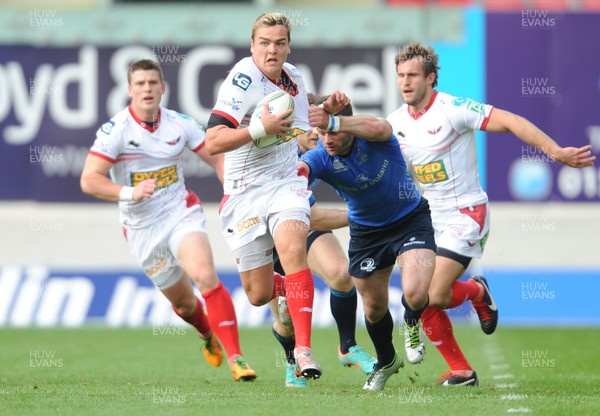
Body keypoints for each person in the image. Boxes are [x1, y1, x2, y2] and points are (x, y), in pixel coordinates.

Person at [386, 42, 596, 386]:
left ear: (431, 78)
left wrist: (555, 151)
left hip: (466, 213)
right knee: (417, 295)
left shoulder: (452, 109)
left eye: (412, 75)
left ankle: (477, 292)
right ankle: (462, 372)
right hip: (428, 218)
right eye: (400, 76)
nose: (405, 82)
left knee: (435, 295)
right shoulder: (394, 124)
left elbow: (511, 121)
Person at [80, 59, 257, 382]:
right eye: (140, 83)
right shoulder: (116, 130)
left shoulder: (180, 124)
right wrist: (129, 193)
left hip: (180, 214)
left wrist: (231, 191)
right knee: (187, 305)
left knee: (205, 277)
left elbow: (217, 158)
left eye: (152, 82)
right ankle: (206, 334)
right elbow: (90, 180)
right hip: (142, 229)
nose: (147, 88)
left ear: (163, 87)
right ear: (130, 89)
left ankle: (237, 357)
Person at [204, 12, 348, 380]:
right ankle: (291, 292)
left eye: (279, 43)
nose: (272, 50)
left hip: (285, 181)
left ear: (288, 46)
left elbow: (300, 131)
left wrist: (325, 114)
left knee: (293, 247)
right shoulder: (241, 81)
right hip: (244, 192)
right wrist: (258, 127)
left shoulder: (295, 78)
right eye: (264, 43)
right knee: (257, 294)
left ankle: (303, 351)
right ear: (252, 45)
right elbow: (214, 141)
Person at [299, 100, 437, 391]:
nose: (327, 140)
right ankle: (387, 361)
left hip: (409, 219)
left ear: (346, 126)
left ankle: (412, 320)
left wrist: (335, 121)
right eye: (322, 133)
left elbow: (381, 126)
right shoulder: (321, 157)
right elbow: (303, 168)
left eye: (332, 132)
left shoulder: (373, 137)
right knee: (374, 308)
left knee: (414, 292)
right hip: (366, 234)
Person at [270, 94, 377, 388]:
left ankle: (347, 346)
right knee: (286, 316)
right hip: (267, 238)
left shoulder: (323, 151)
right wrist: (360, 215)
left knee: (342, 274)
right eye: (314, 129)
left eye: (325, 128)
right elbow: (316, 216)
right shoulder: (279, 153)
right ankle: (293, 360)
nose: (320, 135)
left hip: (302, 226)